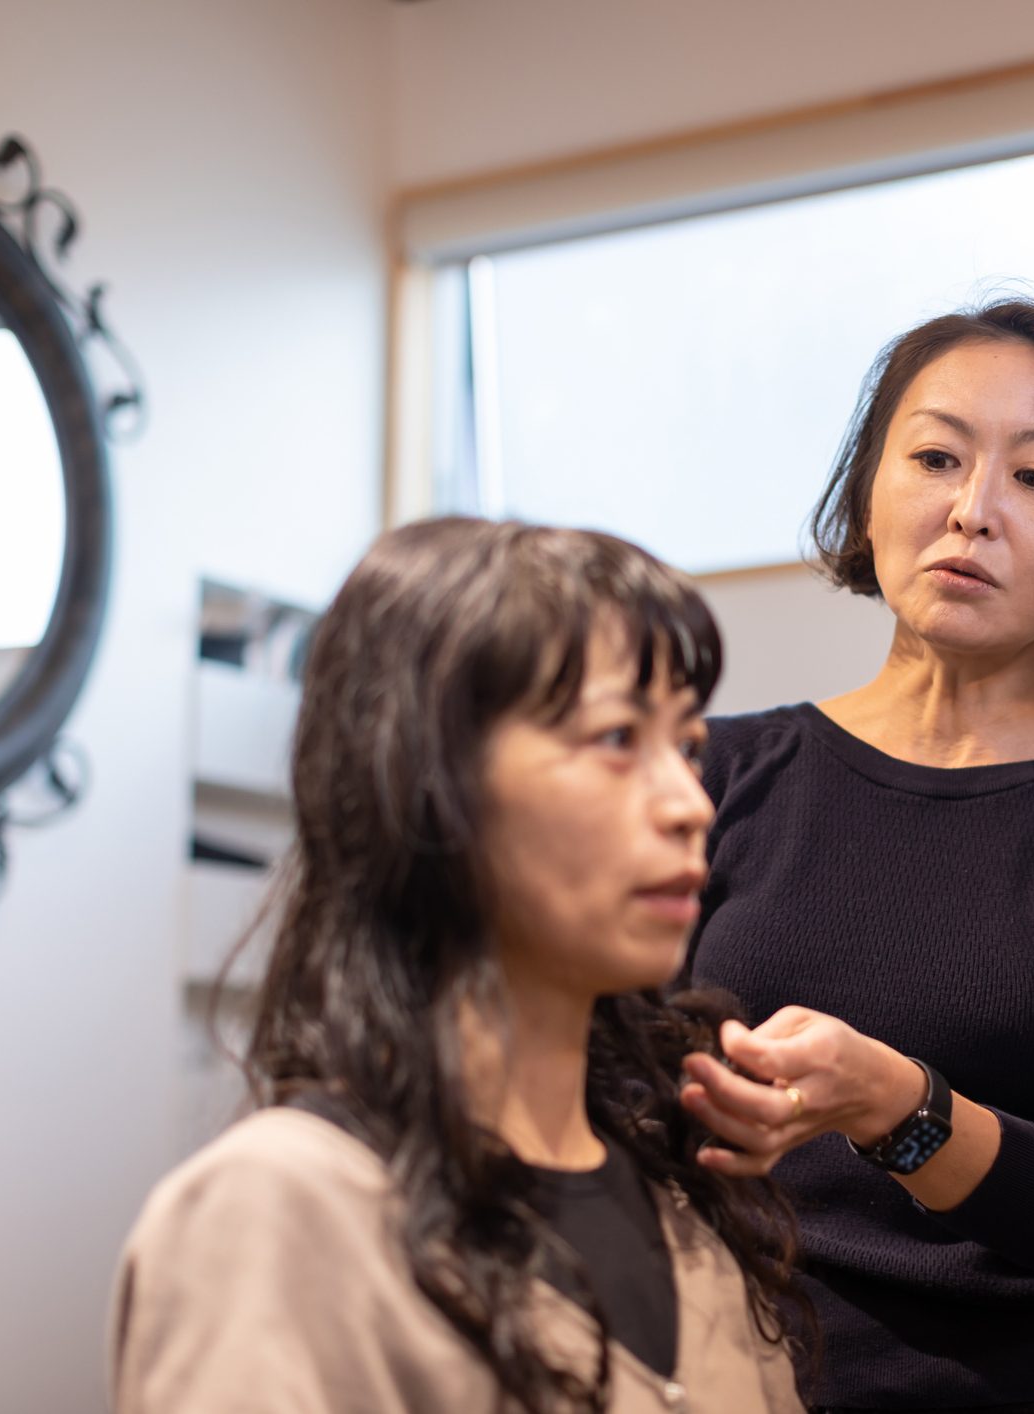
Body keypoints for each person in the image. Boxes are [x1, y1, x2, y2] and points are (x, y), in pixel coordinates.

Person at [676, 298, 1034, 1412]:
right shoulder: (707, 771)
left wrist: (890, 1098)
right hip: (708, 1377)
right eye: (936, 457)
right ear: (868, 497)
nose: (972, 510)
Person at [111, 518, 808, 1413]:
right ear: (428, 779)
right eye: (613, 740)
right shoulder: (283, 1213)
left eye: (686, 749)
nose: (686, 804)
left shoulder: (695, 1221)